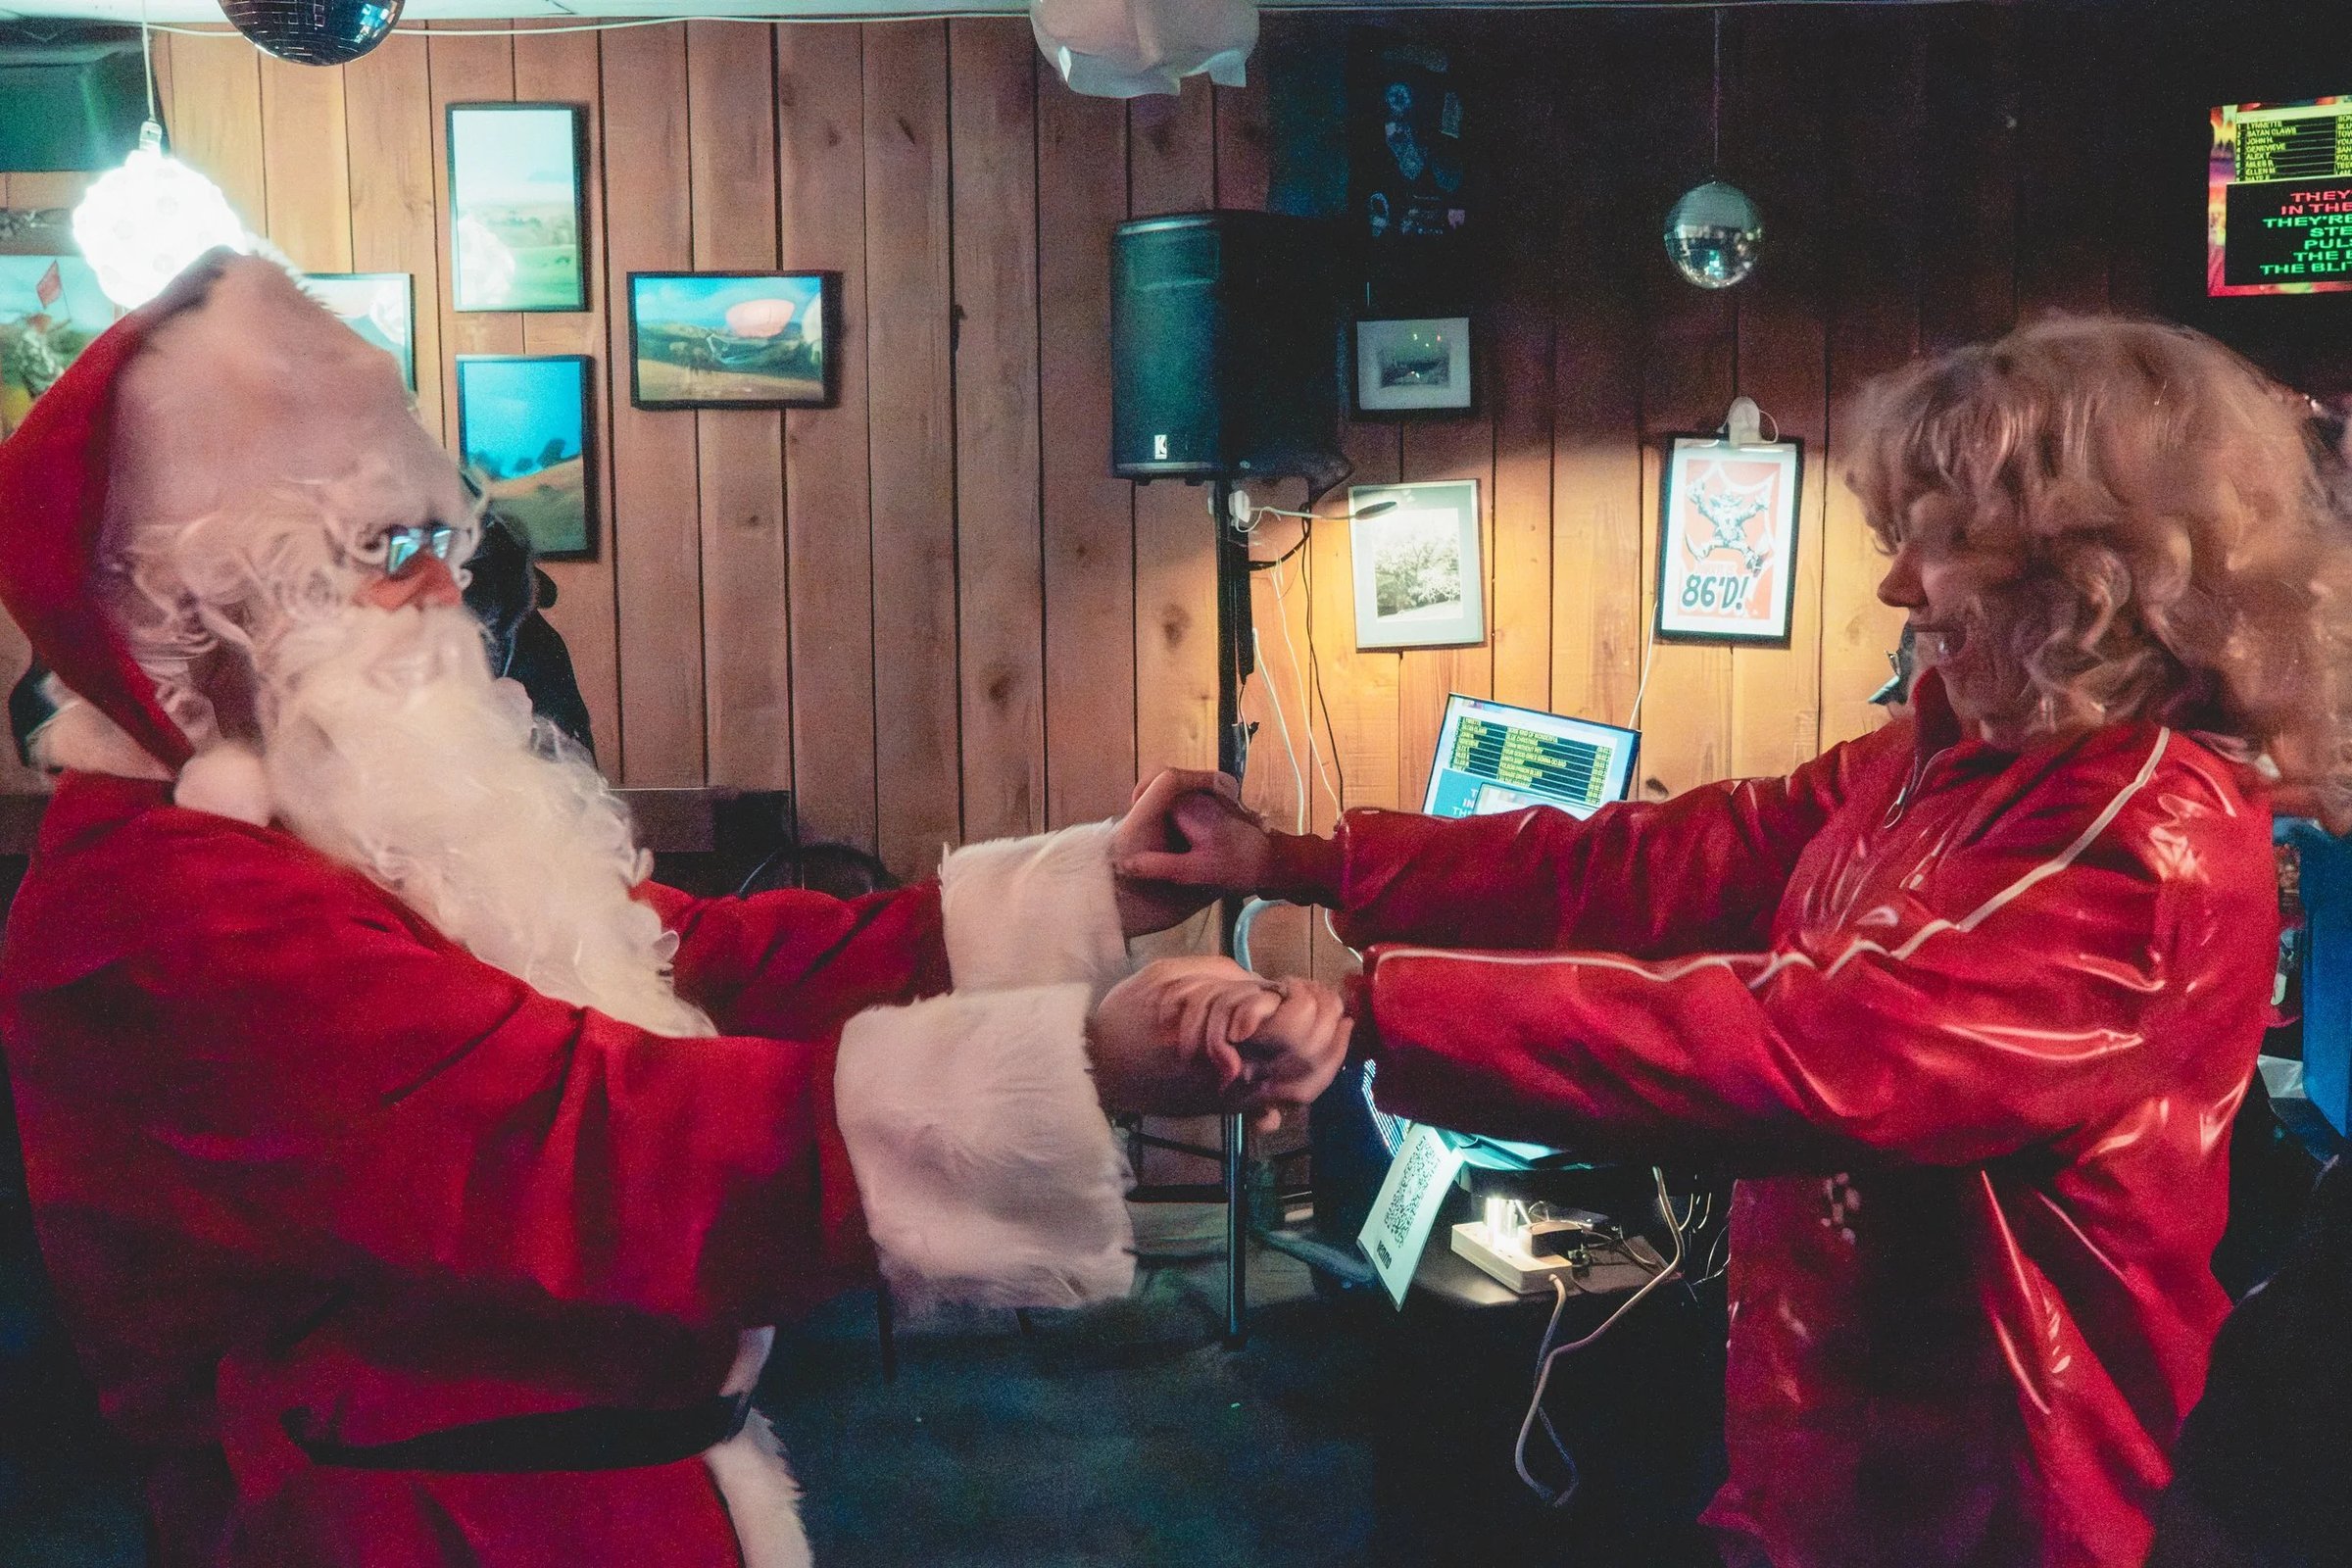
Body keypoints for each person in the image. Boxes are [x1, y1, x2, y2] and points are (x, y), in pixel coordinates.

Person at [0, 253, 1350, 1568]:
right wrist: (1087, 1062)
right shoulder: (164, 909)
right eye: (377, 553)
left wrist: (1090, 887)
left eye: (435, 539)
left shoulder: (337, 819)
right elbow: (582, 1143)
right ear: (209, 612)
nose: (441, 591)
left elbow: (692, 957)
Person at [1122, 317, 2352, 1567]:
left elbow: (1816, 1045)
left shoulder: (2145, 832)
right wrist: (1295, 863)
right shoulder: (1960, 750)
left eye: (1942, 542)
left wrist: (1373, 1013)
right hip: (1842, 1455)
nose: (1897, 587)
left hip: (1991, 1503)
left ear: (2091, 570)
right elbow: (1665, 862)